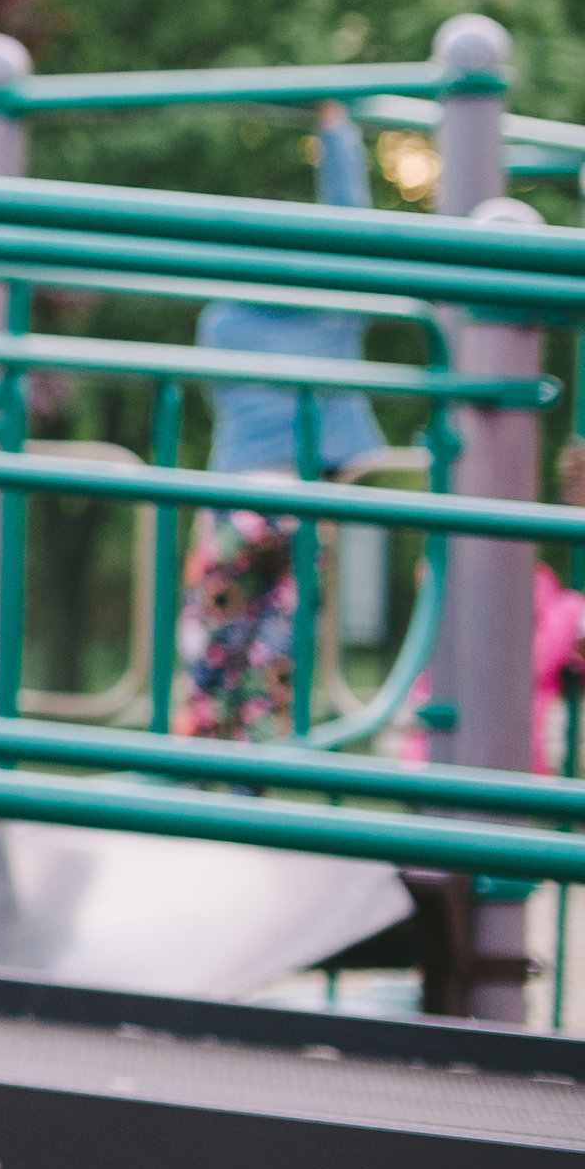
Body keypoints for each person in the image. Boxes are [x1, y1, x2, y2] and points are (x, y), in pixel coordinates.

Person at [181, 104, 391, 739]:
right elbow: (352, 221)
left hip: (241, 499)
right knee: (279, 647)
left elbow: (222, 402)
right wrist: (336, 134)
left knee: (214, 639)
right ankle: (257, 773)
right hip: (310, 502)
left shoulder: (222, 317)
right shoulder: (334, 305)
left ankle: (197, 754)